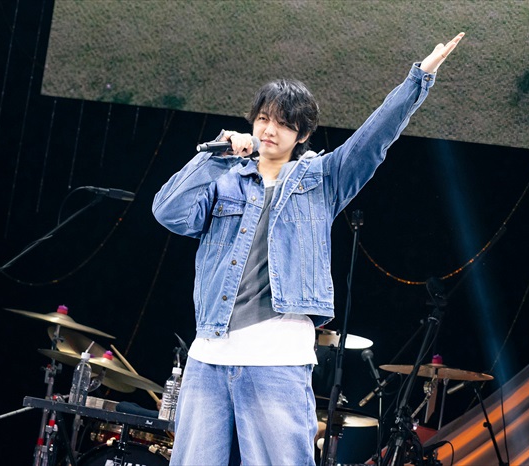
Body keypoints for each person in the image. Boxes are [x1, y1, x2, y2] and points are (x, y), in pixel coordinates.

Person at [152, 32, 465, 466]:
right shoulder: (225, 178)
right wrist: (216, 155)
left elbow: (374, 138)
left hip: (276, 359)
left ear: (300, 133)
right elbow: (168, 211)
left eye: (283, 123)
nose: (269, 130)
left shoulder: (322, 179)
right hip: (208, 356)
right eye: (263, 119)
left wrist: (420, 77)